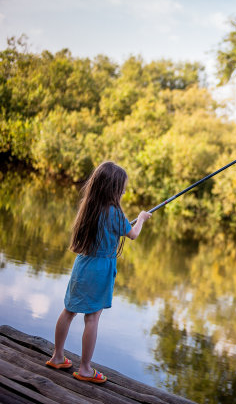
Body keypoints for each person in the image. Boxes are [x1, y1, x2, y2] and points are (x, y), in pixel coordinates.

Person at [44, 161, 151, 384]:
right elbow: (132, 235)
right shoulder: (115, 213)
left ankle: (57, 356)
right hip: (101, 270)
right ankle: (85, 369)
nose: (123, 191)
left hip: (82, 265)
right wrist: (141, 219)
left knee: (69, 310)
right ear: (113, 188)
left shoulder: (89, 207)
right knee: (92, 318)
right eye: (121, 187)